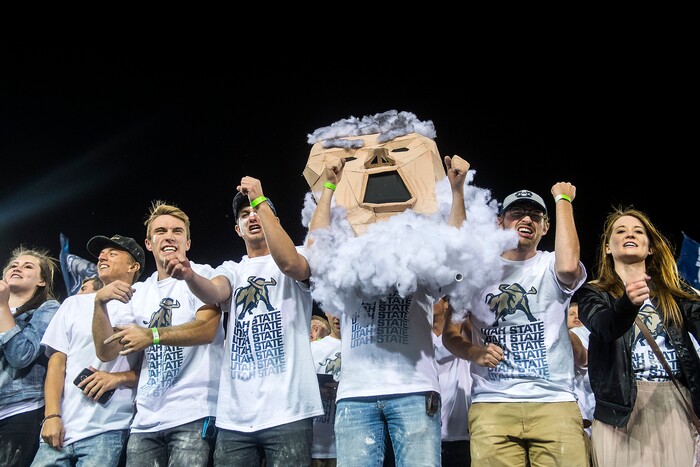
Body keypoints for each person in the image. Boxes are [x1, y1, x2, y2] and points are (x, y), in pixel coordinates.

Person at [307, 154, 470, 467]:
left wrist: (457, 192)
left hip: (414, 390)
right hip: (355, 394)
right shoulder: (347, 256)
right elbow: (316, 251)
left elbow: (455, 254)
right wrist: (329, 186)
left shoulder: (419, 253)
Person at [163, 178, 323, 466]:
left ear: (272, 218)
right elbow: (215, 291)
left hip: (289, 409)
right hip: (235, 417)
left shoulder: (300, 253)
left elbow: (289, 265)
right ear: (238, 229)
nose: (252, 216)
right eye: (244, 214)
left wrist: (261, 199)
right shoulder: (233, 269)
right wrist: (189, 276)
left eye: (258, 211)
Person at [443, 185, 589, 466]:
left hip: (554, 402)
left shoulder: (550, 265)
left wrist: (563, 200)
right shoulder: (478, 271)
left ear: (546, 227)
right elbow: (450, 335)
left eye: (536, 216)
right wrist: (474, 352)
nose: (526, 220)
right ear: (500, 222)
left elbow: (570, 268)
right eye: (517, 213)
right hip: (492, 406)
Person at [92, 201, 224, 467]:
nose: (169, 236)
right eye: (161, 231)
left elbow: (207, 329)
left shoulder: (204, 275)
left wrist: (151, 335)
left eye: (177, 231)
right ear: (149, 243)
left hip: (194, 412)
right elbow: (107, 351)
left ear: (187, 242)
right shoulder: (140, 293)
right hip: (145, 420)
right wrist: (99, 304)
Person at [576, 207, 700, 466]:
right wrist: (627, 303)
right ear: (608, 247)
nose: (629, 234)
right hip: (619, 410)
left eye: (638, 231)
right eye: (620, 231)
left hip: (673, 401)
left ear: (650, 247)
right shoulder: (594, 292)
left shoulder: (673, 290)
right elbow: (604, 327)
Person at [32, 235, 143, 466]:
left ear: (133, 266)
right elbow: (57, 363)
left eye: (113, 253)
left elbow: (150, 368)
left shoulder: (144, 302)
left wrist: (117, 378)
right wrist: (51, 416)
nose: (102, 256)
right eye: (102, 254)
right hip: (61, 430)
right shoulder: (73, 303)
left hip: (109, 428)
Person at [0, 247, 61, 467]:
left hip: (21, 411)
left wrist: (2, 306)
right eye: (13, 265)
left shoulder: (48, 309)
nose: (18, 268)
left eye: (28, 266)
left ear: (42, 281)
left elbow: (21, 355)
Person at [433, 296, 472, 467]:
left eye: (435, 298)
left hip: (462, 432)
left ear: (447, 304)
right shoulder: (419, 339)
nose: (429, 301)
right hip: (431, 433)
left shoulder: (464, 333)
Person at [310, 306, 341, 466]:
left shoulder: (361, 349)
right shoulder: (312, 349)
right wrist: (316, 390)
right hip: (313, 445)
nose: (337, 318)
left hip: (344, 448)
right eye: (333, 310)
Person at [567, 299, 594, 462]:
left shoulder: (590, 333)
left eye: (579, 314)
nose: (576, 317)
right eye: (571, 314)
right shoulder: (564, 336)